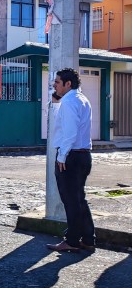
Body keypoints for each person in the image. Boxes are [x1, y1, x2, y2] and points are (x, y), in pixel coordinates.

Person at [47, 67, 96, 253]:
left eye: (58, 82)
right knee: (79, 199)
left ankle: (73, 241)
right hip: (83, 155)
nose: (54, 85)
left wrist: (62, 155)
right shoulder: (82, 99)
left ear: (68, 84)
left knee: (71, 200)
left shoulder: (69, 102)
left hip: (71, 156)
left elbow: (70, 132)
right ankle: (88, 239)